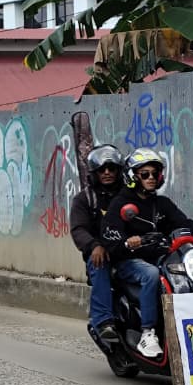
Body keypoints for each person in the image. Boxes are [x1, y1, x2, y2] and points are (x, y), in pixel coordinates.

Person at [100, 148, 193, 359]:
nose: (151, 178)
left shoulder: (161, 203)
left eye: (154, 174)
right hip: (130, 261)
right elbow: (110, 238)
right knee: (151, 275)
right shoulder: (121, 204)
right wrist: (128, 242)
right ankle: (148, 334)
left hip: (160, 256)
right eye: (145, 174)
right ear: (133, 176)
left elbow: (183, 223)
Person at [69, 144, 124, 343]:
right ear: (94, 172)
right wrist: (94, 245)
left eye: (112, 168)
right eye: (102, 169)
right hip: (102, 254)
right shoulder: (85, 199)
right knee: (100, 263)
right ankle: (103, 321)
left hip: (127, 250)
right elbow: (78, 229)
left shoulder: (127, 195)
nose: (107, 173)